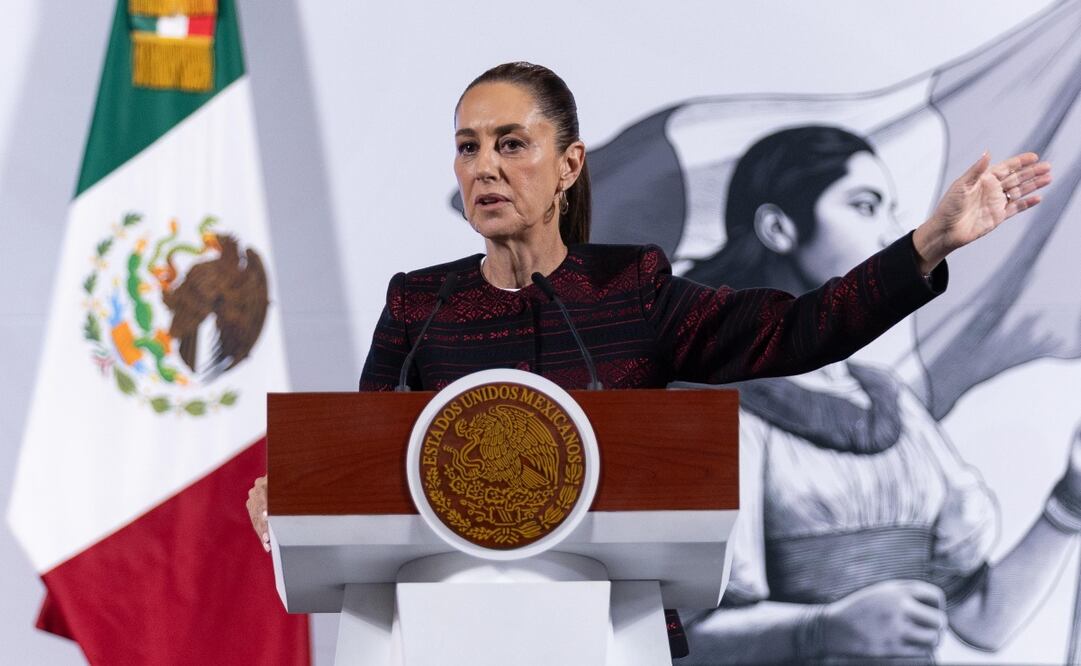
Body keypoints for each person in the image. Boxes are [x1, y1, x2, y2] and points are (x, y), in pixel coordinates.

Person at [245, 60, 1052, 639]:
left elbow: (802, 328)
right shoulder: (418, 303)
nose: (483, 166)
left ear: (567, 167)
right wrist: (296, 495)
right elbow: (361, 468)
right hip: (444, 632)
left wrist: (923, 245)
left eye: (509, 144)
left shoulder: (633, 288)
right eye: (467, 146)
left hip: (609, 635)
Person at [674, 126, 1080, 664]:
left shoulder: (893, 406)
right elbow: (675, 634)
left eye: (892, 210)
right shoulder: (709, 403)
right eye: (865, 206)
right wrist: (821, 630)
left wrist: (1071, 500)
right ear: (778, 228)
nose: (890, 232)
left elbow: (981, 621)